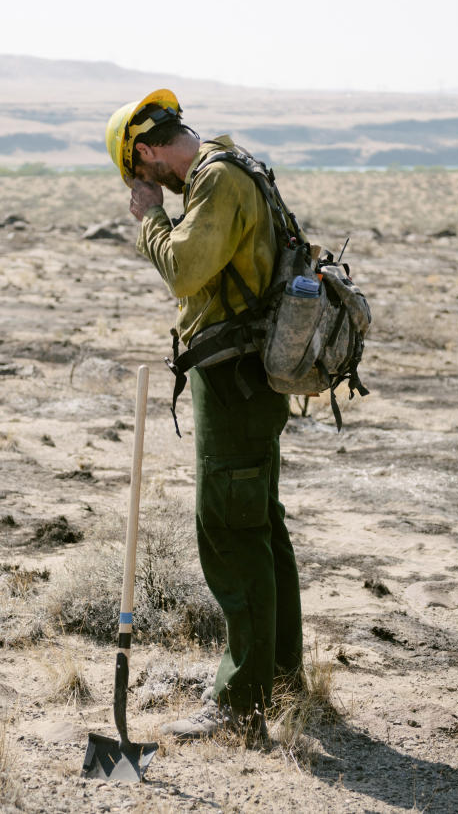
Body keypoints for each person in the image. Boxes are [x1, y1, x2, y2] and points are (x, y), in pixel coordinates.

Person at [104, 90, 303, 746]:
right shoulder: (231, 165)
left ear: (148, 152)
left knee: (229, 529)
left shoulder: (213, 180)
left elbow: (187, 271)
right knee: (260, 525)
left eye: (136, 171)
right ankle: (280, 678)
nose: (140, 183)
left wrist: (151, 221)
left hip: (236, 382)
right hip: (250, 381)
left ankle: (240, 704)